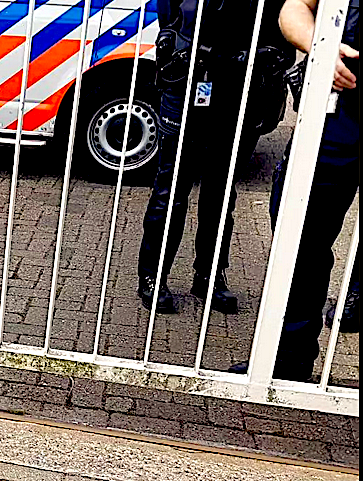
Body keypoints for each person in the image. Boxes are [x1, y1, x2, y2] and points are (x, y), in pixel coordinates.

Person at [137, 0, 293, 314]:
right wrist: (177, 42)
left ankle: (209, 276)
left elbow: (286, 19)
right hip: (189, 74)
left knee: (221, 190)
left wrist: (272, 58)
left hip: (244, 84)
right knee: (172, 187)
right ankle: (153, 275)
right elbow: (170, 13)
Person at [230, 0, 359, 380]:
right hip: (337, 115)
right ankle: (289, 362)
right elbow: (295, 9)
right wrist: (321, 45)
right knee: (299, 235)